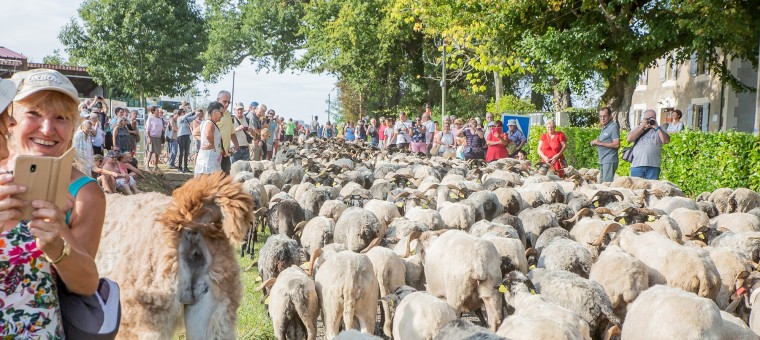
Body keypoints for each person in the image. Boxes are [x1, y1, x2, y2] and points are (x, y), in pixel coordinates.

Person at [1, 70, 103, 338]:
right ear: (11, 121)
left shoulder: (84, 194)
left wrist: (57, 244)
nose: (47, 129)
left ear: (72, 129)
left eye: (61, 118)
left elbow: (86, 284)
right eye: (33, 114)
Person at [627, 109, 670, 179]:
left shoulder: (660, 129)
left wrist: (657, 128)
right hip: (637, 165)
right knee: (636, 188)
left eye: (653, 118)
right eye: (648, 119)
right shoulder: (637, 128)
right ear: (643, 119)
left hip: (653, 166)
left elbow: (666, 141)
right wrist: (642, 127)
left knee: (651, 189)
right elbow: (629, 139)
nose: (650, 120)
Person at [590, 107, 620, 183]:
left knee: (606, 186)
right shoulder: (604, 128)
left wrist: (600, 143)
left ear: (610, 116)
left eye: (605, 116)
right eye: (600, 116)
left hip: (609, 160)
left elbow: (617, 144)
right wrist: (595, 142)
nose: (602, 118)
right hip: (603, 160)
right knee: (601, 185)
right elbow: (603, 142)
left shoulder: (613, 127)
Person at [195, 102, 224, 176]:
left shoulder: (205, 123)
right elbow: (208, 134)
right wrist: (211, 144)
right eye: (221, 113)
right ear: (214, 112)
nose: (222, 115)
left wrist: (204, 140)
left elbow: (195, 133)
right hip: (208, 164)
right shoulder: (210, 123)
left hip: (206, 162)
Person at [215, 91, 234, 174]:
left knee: (226, 179)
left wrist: (236, 146)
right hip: (215, 154)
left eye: (228, 102)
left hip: (225, 154)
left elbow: (231, 132)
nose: (227, 104)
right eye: (224, 101)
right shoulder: (211, 113)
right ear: (218, 100)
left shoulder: (228, 114)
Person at [176, 108, 199, 173]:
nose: (185, 112)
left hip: (187, 136)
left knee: (186, 152)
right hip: (181, 136)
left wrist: (197, 114)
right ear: (180, 113)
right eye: (183, 111)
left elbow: (193, 118)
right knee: (181, 152)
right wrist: (191, 112)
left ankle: (185, 167)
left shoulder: (186, 119)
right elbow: (184, 117)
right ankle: (179, 168)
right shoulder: (180, 118)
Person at [145, 105, 165, 171]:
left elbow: (162, 128)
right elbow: (148, 129)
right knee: (150, 151)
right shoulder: (150, 118)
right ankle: (147, 165)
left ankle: (156, 165)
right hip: (152, 137)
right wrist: (149, 138)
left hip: (158, 137)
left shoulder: (160, 119)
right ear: (153, 111)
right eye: (157, 110)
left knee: (157, 152)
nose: (158, 112)